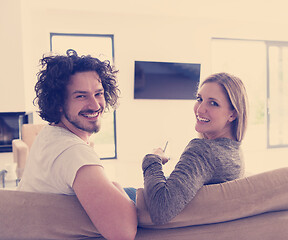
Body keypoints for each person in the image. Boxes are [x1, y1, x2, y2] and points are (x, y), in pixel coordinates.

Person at [18, 49, 137, 240]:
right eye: (81, 96)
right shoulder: (73, 152)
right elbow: (123, 232)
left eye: (98, 93)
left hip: (38, 226)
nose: (95, 104)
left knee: (136, 192)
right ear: (59, 103)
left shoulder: (48, 133)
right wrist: (115, 185)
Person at [141, 72, 248, 225]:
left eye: (213, 103)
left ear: (233, 114)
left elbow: (161, 209)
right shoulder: (235, 152)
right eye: (199, 99)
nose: (200, 109)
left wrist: (153, 158)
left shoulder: (203, 151)